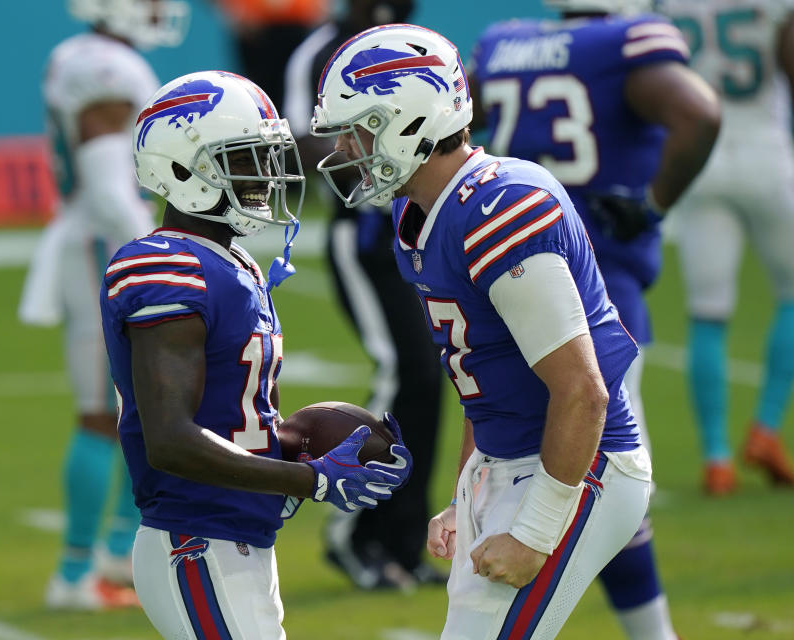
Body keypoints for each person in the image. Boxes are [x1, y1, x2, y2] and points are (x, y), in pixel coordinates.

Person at [311, 24, 653, 638]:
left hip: (580, 466)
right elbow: (484, 372)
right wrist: (467, 486)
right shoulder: (416, 210)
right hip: (510, 460)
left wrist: (534, 532)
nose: (346, 146)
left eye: (359, 126)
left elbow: (582, 391)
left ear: (408, 120)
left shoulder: (500, 208)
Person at [100, 70, 413, 639]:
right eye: (244, 159)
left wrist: (295, 444)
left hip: (236, 536)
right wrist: (311, 481)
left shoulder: (231, 261)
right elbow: (169, 438)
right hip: (195, 539)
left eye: (268, 157)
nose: (266, 176)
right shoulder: (167, 269)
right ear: (181, 166)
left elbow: (231, 415)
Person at [467, 0, 720, 636]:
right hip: (596, 274)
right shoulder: (627, 42)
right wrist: (653, 203)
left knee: (534, 451)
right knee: (605, 462)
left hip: (507, 271)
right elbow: (699, 112)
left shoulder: (505, 44)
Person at [17, 0, 189, 610]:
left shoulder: (82, 56)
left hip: (98, 241)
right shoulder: (107, 68)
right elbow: (111, 188)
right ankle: (72, 575)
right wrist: (161, 250)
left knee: (138, 407)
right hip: (100, 246)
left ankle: (117, 552)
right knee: (101, 412)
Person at [283, 0, 446, 591]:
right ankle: (351, 532)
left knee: (431, 380)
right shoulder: (321, 48)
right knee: (403, 374)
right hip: (368, 234)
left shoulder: (417, 43)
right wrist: (367, 148)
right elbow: (302, 143)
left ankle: (405, 539)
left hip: (422, 229)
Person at [657, 0, 794, 494]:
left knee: (707, 313)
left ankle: (717, 457)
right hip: (767, 155)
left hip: (702, 159)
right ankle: (766, 428)